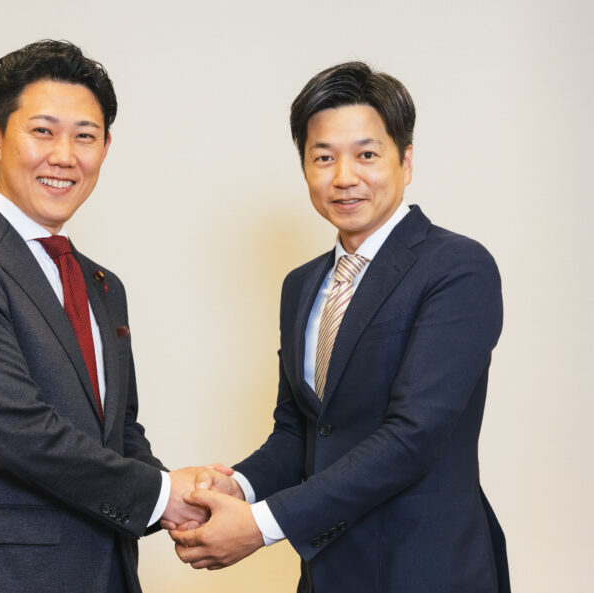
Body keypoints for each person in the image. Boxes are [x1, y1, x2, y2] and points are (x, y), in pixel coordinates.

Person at [168, 62, 512, 593]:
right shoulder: (301, 285)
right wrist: (237, 488)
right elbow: (300, 433)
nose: (344, 176)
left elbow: (412, 437)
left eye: (366, 154)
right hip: (327, 573)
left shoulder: (457, 267)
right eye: (323, 157)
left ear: (406, 160)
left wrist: (260, 525)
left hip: (427, 570)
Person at [0, 40, 207, 593]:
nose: (65, 155)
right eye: (43, 131)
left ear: (105, 147)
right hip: (6, 579)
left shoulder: (103, 285)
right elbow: (19, 433)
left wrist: (187, 496)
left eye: (85, 136)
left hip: (110, 573)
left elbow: (120, 434)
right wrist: (166, 497)